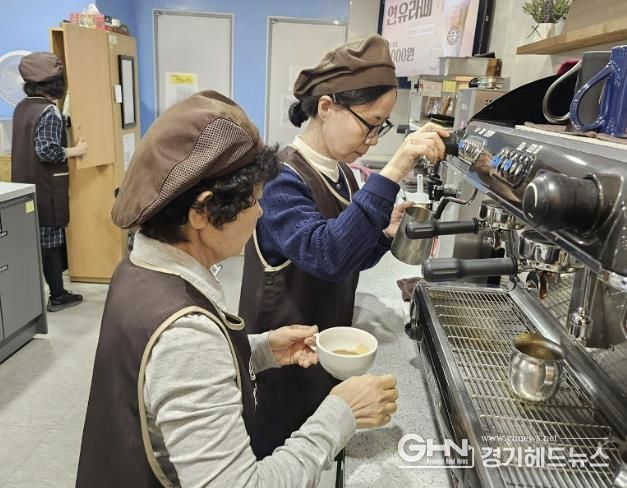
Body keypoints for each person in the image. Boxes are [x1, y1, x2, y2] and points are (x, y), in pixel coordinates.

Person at [76, 91, 399, 488]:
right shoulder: (187, 336)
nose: (261, 213)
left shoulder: (139, 268)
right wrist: (341, 413)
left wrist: (257, 349)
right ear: (202, 211)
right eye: (254, 202)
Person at [239, 34, 448, 457]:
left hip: (326, 349)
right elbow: (326, 255)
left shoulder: (345, 175)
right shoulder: (280, 177)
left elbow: (350, 257)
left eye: (381, 127)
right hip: (282, 356)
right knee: (279, 456)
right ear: (326, 107)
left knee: (318, 449)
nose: (373, 139)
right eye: (370, 123)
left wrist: (382, 233)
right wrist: (394, 169)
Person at [11, 52, 88, 312]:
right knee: (51, 244)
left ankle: (34, 297)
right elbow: (47, 151)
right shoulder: (49, 111)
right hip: (46, 190)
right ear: (56, 84)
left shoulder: (22, 108)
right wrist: (77, 150)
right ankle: (58, 295)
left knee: (34, 244)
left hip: (25, 188)